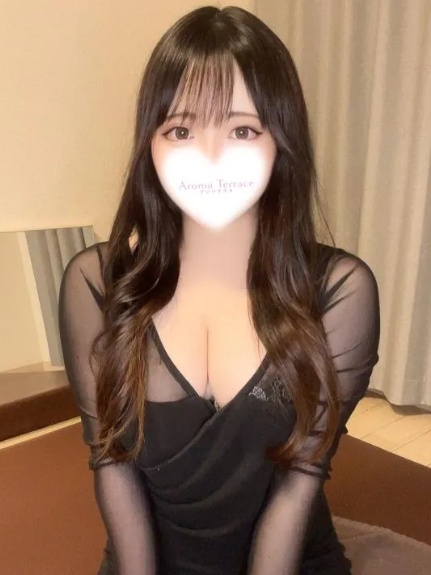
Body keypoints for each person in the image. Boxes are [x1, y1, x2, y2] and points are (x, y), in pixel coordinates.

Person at [58, 6, 380, 575]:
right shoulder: (98, 283)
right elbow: (111, 461)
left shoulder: (339, 292)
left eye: (242, 130)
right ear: (151, 143)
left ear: (281, 140)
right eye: (181, 131)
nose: (210, 159)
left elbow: (299, 482)